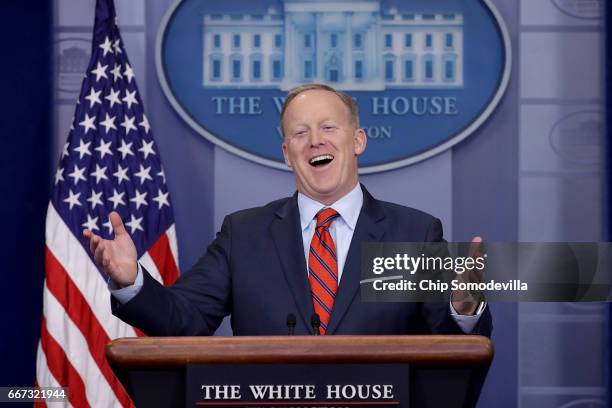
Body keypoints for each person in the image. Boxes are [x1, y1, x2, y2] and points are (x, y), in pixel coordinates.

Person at [83, 83, 491, 336]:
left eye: (329, 128)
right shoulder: (243, 235)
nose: (316, 141)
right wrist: (132, 280)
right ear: (286, 153)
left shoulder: (414, 233)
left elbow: (449, 338)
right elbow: (182, 319)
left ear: (358, 142)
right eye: (300, 133)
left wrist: (464, 307)